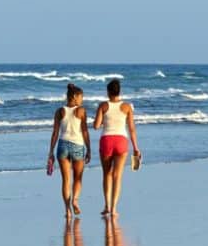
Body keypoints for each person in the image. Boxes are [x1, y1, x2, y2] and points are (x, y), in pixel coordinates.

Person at [93, 78, 141, 217]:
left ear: (108, 92)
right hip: (121, 141)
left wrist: (104, 122)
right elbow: (132, 129)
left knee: (106, 174)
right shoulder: (127, 107)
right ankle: (114, 209)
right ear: (119, 92)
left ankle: (107, 206)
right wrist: (136, 148)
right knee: (117, 176)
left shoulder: (103, 106)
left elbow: (96, 126)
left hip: (107, 140)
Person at [46, 83, 92, 219]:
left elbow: (55, 133)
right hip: (78, 145)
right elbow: (85, 131)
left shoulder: (60, 111)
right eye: (81, 97)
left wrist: (50, 152)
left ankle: (67, 210)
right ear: (75, 96)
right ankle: (75, 200)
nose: (82, 100)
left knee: (66, 180)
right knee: (78, 178)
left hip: (62, 146)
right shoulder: (81, 111)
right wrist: (89, 149)